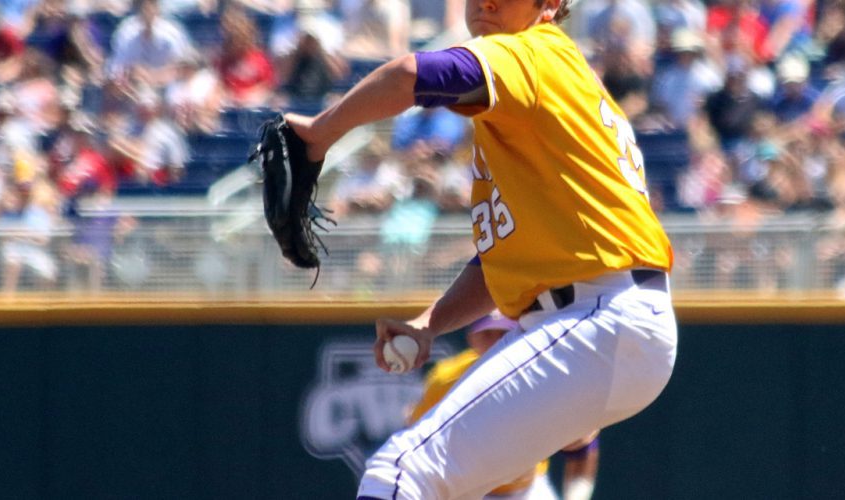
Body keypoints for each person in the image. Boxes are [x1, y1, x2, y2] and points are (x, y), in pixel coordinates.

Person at [285, 0, 677, 498]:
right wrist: (430, 324)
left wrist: (322, 133)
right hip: (606, 318)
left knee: (400, 472)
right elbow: (503, 261)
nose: (486, 2)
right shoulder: (546, 92)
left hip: (599, 316)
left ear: (550, 5)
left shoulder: (532, 54)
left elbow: (411, 73)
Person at [406, 312, 600, 500]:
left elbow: (582, 448)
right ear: (472, 338)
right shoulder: (446, 381)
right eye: (487, 334)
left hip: (529, 490)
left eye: (505, 333)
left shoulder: (546, 377)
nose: (497, 343)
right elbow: (417, 447)